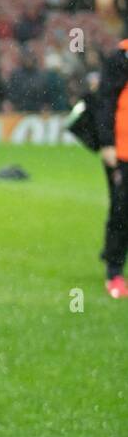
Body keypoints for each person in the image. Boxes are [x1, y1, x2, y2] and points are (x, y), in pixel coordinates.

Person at [95, 38, 128, 298]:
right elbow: (105, 100)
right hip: (122, 151)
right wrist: (106, 142)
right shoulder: (122, 56)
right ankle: (114, 271)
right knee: (121, 208)